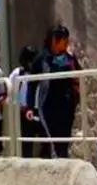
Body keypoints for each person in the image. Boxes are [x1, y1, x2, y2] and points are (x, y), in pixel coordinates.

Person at [25, 25, 81, 159]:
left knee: (64, 139)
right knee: (54, 140)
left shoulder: (70, 58)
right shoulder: (41, 59)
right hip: (49, 105)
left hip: (67, 105)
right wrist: (30, 106)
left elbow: (78, 76)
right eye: (63, 39)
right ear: (54, 40)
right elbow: (32, 84)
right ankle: (59, 164)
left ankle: (63, 162)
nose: (67, 42)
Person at [9, 46, 39, 157]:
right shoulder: (18, 73)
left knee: (46, 139)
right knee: (26, 141)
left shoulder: (40, 71)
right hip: (24, 110)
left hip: (39, 109)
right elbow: (10, 90)